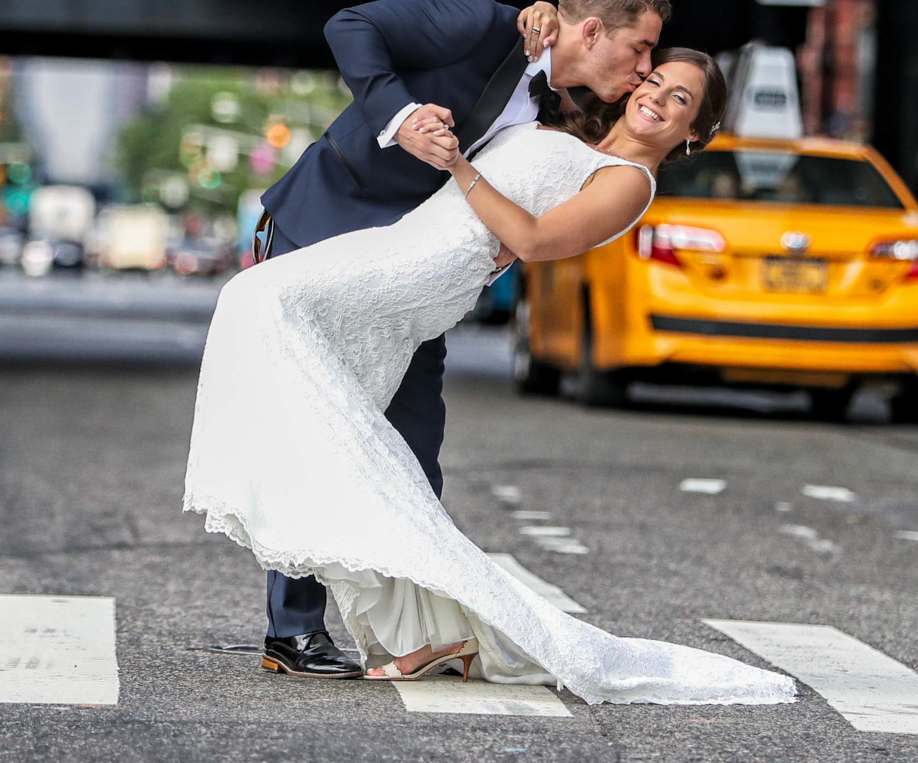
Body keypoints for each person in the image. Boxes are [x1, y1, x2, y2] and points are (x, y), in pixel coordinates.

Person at [184, 37, 798, 705]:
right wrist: (537, 23)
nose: (657, 96)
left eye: (680, 99)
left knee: (258, 302)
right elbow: (553, 55)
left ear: (694, 131)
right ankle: (416, 630)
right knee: (336, 414)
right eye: (656, 80)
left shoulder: (630, 181)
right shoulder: (574, 126)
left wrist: (460, 170)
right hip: (409, 243)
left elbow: (534, 239)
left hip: (424, 264)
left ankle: (345, 608)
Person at [232, 0, 663, 681]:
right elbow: (351, 24)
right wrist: (400, 119)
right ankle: (294, 629)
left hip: (413, 273)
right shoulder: (481, 22)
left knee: (414, 446)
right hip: (326, 227)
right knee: (323, 424)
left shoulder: (572, 103)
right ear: (593, 29)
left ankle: (418, 629)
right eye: (642, 46)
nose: (646, 64)